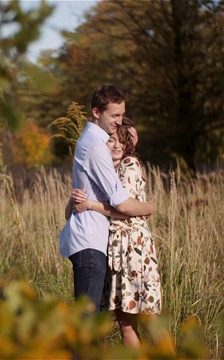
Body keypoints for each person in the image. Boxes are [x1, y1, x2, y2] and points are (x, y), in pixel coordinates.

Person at [71, 119, 170, 350]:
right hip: (115, 249)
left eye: (122, 141)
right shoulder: (106, 168)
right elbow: (74, 208)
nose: (116, 146)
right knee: (125, 322)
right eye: (111, 140)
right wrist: (78, 199)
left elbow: (124, 209)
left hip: (133, 249)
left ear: (128, 145)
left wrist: (90, 205)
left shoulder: (129, 164)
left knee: (149, 316)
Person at [59, 85, 154, 314]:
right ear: (96, 112)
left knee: (90, 320)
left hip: (93, 241)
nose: (119, 121)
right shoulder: (95, 147)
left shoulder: (92, 143)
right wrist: (149, 207)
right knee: (87, 321)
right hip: (90, 241)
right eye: (114, 115)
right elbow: (121, 203)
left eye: (122, 115)